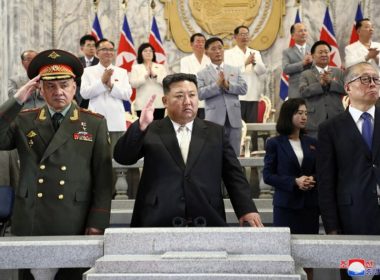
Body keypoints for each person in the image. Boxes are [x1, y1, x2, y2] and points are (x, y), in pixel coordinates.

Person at [0, 49, 113, 279]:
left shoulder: (93, 123)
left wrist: (97, 222)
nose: (58, 91)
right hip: (32, 217)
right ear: (40, 89)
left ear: (75, 87)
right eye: (51, 86)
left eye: (64, 85)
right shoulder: (24, 119)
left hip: (74, 217)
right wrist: (17, 100)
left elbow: (103, 179)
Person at [114, 73, 262, 228]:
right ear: (165, 101)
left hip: (206, 218)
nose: (187, 101)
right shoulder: (151, 129)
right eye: (179, 96)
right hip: (157, 218)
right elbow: (123, 157)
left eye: (192, 95)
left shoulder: (215, 132)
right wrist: (141, 126)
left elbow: (233, 174)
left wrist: (246, 209)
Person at [317, 62, 380, 280]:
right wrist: (332, 226)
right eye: (365, 79)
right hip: (352, 219)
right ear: (348, 88)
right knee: (358, 275)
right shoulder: (330, 128)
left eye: (376, 79)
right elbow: (326, 181)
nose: (372, 83)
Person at [263, 98, 318, 280]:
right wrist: (294, 182)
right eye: (299, 113)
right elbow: (268, 175)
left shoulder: (312, 142)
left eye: (305, 113)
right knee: (286, 256)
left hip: (309, 207)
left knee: (309, 257)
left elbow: (322, 171)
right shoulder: (275, 143)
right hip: (286, 207)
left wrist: (312, 179)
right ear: (288, 115)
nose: (304, 117)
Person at [197, 37, 247, 156]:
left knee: (234, 155)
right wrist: (217, 85)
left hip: (233, 119)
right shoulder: (201, 74)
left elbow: (243, 88)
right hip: (214, 120)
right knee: (214, 155)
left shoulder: (235, 69)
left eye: (220, 48)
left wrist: (228, 85)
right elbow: (199, 94)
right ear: (206, 52)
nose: (218, 51)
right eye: (213, 49)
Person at [80, 38, 132, 146]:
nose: (108, 52)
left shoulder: (121, 72)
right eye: (104, 49)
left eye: (111, 50)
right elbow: (84, 93)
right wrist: (102, 82)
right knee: (97, 158)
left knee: (115, 157)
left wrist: (111, 86)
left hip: (116, 120)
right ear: (97, 53)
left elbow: (127, 94)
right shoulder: (88, 71)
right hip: (96, 119)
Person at [224, 25, 267, 150]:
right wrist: (245, 63)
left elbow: (262, 71)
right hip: (236, 97)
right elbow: (230, 73)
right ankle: (236, 153)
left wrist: (254, 63)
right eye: (241, 34)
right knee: (236, 128)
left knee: (252, 129)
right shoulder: (229, 53)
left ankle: (253, 154)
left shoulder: (255, 53)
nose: (244, 37)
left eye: (246, 34)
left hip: (252, 95)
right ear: (235, 37)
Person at [299, 40, 345, 138]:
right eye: (320, 52)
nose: (324, 54)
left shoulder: (338, 72)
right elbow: (303, 92)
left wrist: (331, 82)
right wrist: (319, 85)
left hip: (336, 118)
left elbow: (346, 90)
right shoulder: (305, 74)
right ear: (313, 55)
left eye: (326, 52)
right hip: (315, 121)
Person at [130, 42, 167, 120]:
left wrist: (156, 76)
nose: (148, 53)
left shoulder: (160, 67)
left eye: (150, 51)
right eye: (145, 51)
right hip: (142, 104)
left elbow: (167, 83)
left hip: (159, 104)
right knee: (144, 130)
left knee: (158, 129)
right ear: (140, 53)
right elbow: (133, 84)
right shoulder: (136, 68)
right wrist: (145, 76)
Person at [180, 33, 211, 119]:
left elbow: (212, 80)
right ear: (191, 44)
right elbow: (186, 79)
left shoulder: (210, 60)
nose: (200, 44)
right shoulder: (185, 60)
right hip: (191, 99)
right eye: (198, 41)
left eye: (203, 42)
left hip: (207, 100)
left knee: (206, 126)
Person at [282, 23, 313, 99]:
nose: (303, 33)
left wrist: (312, 62)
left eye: (305, 30)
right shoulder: (287, 52)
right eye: (300, 31)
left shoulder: (314, 49)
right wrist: (302, 63)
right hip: (296, 92)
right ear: (292, 36)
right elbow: (286, 69)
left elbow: (321, 66)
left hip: (313, 90)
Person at [77, 34, 99, 108]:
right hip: (79, 99)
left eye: (93, 45)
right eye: (89, 45)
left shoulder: (100, 63)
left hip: (95, 98)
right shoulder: (77, 62)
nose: (92, 48)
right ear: (82, 48)